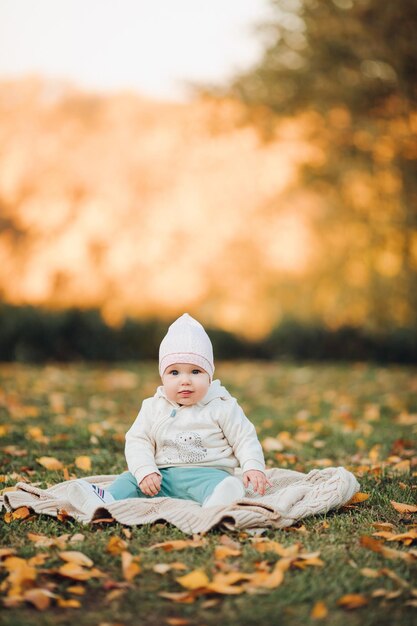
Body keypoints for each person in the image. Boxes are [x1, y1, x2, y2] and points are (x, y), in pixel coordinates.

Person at [67, 313, 270, 516]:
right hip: (162, 477)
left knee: (228, 484)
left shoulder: (222, 406)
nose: (185, 380)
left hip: (208, 475)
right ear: (162, 376)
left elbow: (244, 438)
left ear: (210, 375)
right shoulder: (153, 407)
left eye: (195, 372)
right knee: (128, 480)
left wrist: (252, 467)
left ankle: (218, 501)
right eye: (174, 373)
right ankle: (105, 499)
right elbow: (138, 440)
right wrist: (146, 471)